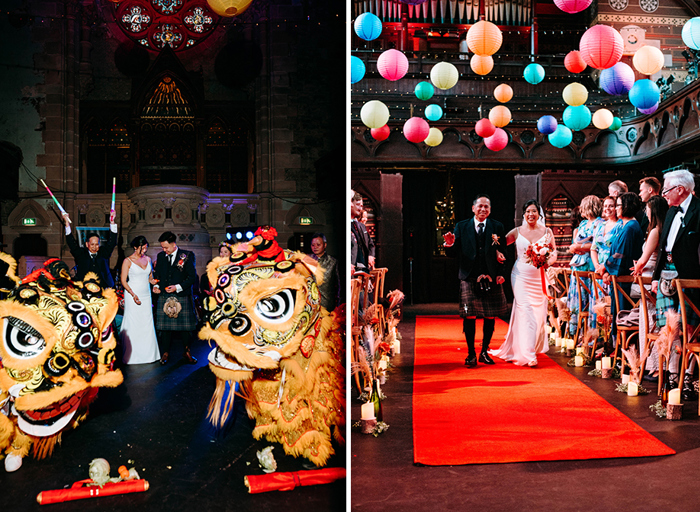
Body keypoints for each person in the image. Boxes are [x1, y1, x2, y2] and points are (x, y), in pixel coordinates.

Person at [489, 200, 557, 367]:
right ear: (524, 214)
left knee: (537, 314)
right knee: (525, 310)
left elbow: (554, 251)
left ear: (538, 214)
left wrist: (548, 261)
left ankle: (525, 347)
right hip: (520, 277)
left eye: (533, 211)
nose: (530, 214)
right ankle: (529, 355)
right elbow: (500, 243)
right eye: (527, 211)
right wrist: (496, 250)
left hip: (538, 278)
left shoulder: (547, 231)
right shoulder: (517, 231)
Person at [443, 194, 508, 368]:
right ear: (473, 208)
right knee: (469, 315)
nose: (483, 209)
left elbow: (503, 252)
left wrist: (500, 273)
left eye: (486, 207)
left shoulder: (497, 227)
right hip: (469, 278)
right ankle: (471, 353)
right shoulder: (462, 226)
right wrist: (449, 244)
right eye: (480, 206)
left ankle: (484, 352)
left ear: (490, 209)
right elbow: (453, 252)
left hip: (491, 278)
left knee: (490, 315)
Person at [651, 169, 700, 398]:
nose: (664, 195)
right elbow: (663, 248)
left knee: (690, 329)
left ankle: (687, 377)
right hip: (666, 276)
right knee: (669, 327)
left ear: (681, 190)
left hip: (690, 277)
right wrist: (654, 278)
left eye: (666, 190)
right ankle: (672, 375)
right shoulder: (670, 212)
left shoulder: (699, 211)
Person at [631, 195, 668, 380]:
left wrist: (637, 267)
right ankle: (655, 365)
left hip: (648, 279)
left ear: (653, 210)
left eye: (647, 207)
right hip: (652, 275)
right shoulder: (663, 229)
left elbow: (645, 259)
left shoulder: (655, 230)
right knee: (654, 321)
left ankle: (653, 366)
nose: (645, 210)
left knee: (649, 322)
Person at [602, 192, 645, 353]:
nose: (616, 209)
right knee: (616, 311)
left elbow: (620, 254)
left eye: (619, 205)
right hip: (618, 278)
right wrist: (607, 271)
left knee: (623, 313)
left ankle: (625, 351)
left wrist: (606, 268)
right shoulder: (623, 225)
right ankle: (617, 348)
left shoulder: (630, 227)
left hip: (625, 279)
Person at [152, 231, 198, 365]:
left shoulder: (187, 255)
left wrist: (177, 287)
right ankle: (165, 353)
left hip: (181, 295)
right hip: (165, 295)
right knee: (165, 328)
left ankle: (187, 351)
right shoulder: (161, 256)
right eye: (162, 247)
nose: (164, 250)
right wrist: (157, 285)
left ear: (173, 244)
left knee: (186, 328)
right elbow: (158, 275)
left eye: (166, 247)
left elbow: (192, 277)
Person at [119, 235, 160, 365]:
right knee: (134, 323)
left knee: (146, 322)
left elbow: (150, 278)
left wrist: (155, 284)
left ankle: (149, 355)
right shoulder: (127, 261)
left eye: (145, 248)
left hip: (146, 295)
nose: (144, 251)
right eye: (141, 249)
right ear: (135, 247)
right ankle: (132, 355)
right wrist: (132, 294)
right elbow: (123, 281)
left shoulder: (148, 259)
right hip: (132, 294)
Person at [566, 195, 602, 337]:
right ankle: (577, 332)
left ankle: (590, 334)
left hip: (589, 264)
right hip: (578, 263)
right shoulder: (582, 224)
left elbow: (596, 244)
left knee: (588, 298)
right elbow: (575, 243)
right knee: (578, 299)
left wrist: (580, 246)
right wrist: (575, 247)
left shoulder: (599, 223)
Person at [63, 210, 117, 288]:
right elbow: (72, 243)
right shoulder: (81, 254)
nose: (94, 247)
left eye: (97, 244)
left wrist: (112, 222)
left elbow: (112, 243)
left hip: (104, 287)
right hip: (83, 287)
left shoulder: (104, 253)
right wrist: (67, 223)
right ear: (87, 244)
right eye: (92, 244)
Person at [309, 232, 340, 312]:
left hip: (327, 305)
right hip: (310, 305)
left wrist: (339, 306)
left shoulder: (333, 262)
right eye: (313, 245)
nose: (315, 247)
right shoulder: (307, 260)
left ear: (325, 245)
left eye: (318, 245)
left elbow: (339, 285)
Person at [351, 190, 375, 272]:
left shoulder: (361, 226)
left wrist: (371, 255)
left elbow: (370, 244)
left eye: (361, 205)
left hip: (363, 268)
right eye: (357, 205)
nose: (360, 208)